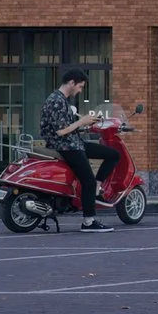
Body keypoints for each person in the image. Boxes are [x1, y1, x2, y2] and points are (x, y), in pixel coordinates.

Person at [39, 68, 116, 232]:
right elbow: (61, 131)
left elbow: (68, 127)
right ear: (72, 83)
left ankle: (97, 185)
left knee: (112, 154)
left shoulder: (62, 100)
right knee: (87, 180)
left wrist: (87, 122)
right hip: (65, 146)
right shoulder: (56, 101)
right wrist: (82, 122)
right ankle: (89, 222)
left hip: (75, 143)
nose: (80, 90)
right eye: (80, 87)